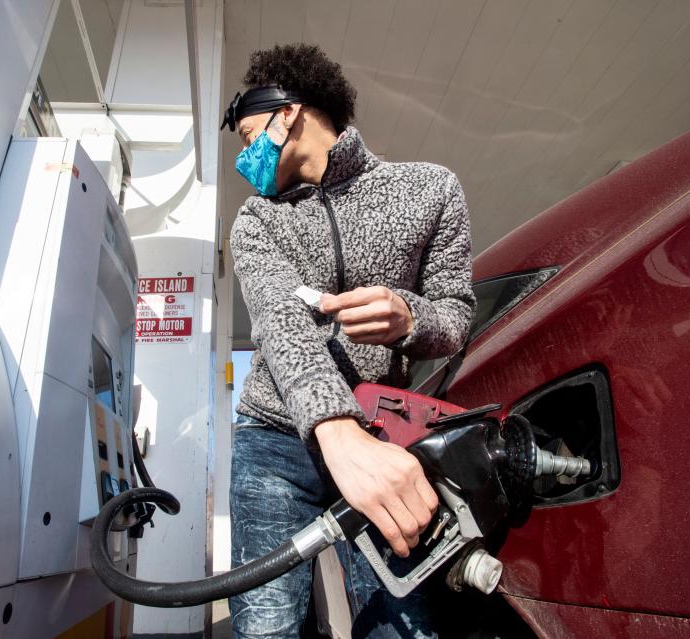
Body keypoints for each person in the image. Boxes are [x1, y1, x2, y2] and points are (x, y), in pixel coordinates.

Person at [222, 43, 475, 638]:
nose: (244, 157)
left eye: (246, 135)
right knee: (266, 628)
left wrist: (409, 317)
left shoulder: (431, 190)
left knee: (403, 625)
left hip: (384, 438)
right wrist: (337, 434)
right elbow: (283, 328)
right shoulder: (257, 221)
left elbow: (457, 315)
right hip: (273, 443)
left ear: (288, 113)